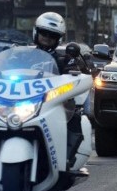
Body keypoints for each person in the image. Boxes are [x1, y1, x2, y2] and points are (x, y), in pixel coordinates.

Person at [33, 12, 89, 165]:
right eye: (44, 33)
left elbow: (77, 77)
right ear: (36, 32)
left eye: (52, 35)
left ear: (58, 39)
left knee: (75, 118)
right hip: (26, 102)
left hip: (54, 103)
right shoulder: (22, 56)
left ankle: (67, 159)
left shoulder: (65, 59)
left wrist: (75, 75)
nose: (47, 37)